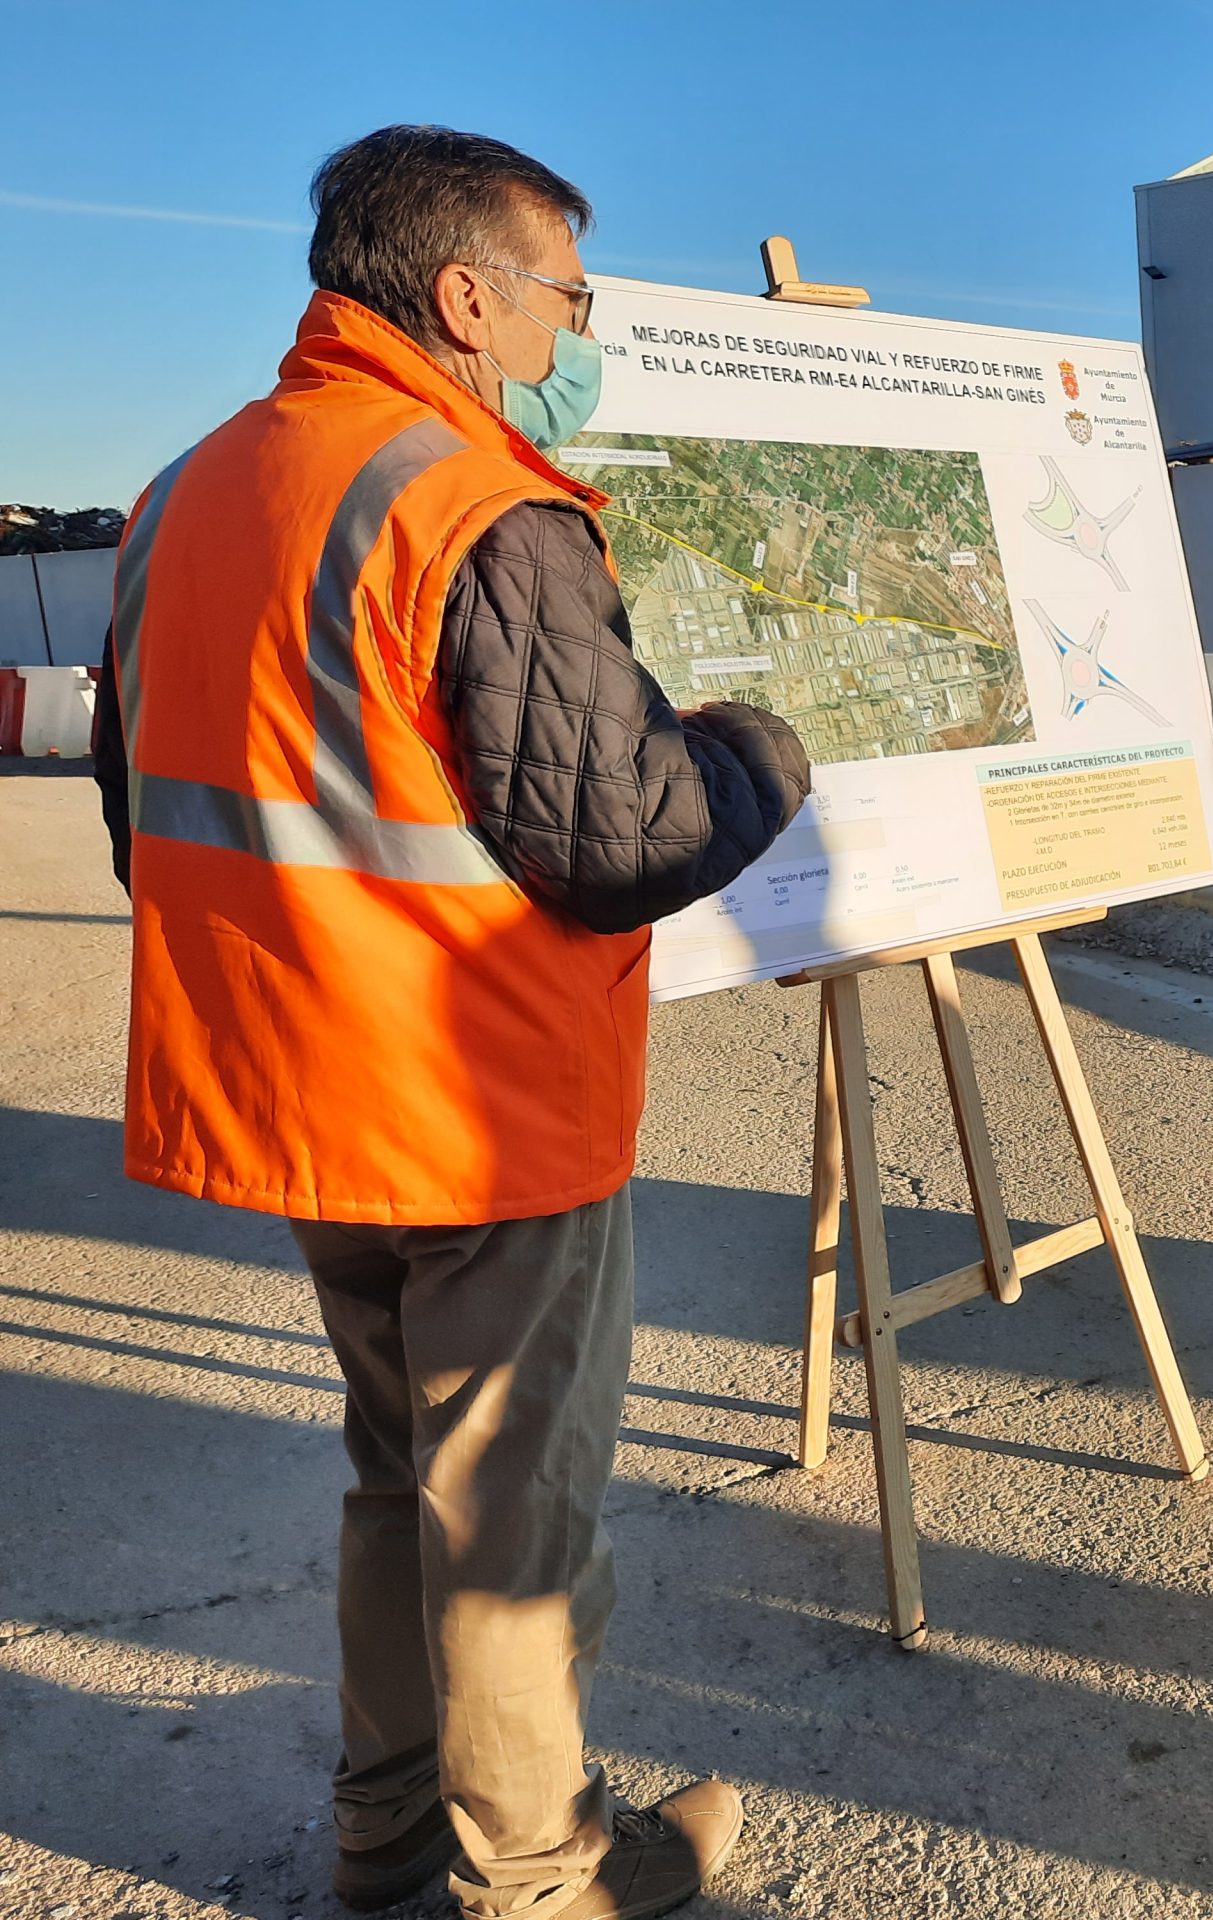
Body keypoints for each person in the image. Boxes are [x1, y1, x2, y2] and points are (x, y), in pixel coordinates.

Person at [91, 126, 811, 1919]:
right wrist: (756, 754)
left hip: (298, 1091)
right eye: (572, 293)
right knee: (509, 1519)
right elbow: (620, 834)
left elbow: (139, 809)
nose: (583, 327)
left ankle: (388, 1822)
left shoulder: (187, 493)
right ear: (467, 293)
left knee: (392, 1476)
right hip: (478, 1104)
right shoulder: (471, 504)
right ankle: (543, 1878)